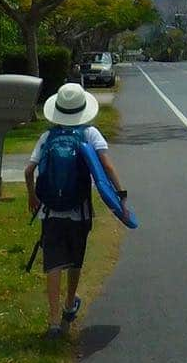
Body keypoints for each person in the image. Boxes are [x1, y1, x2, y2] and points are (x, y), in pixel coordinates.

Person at [25, 81, 127, 339]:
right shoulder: (90, 134)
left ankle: (52, 322)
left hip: (50, 213)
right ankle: (69, 305)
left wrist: (32, 196)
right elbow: (107, 167)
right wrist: (120, 195)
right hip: (79, 212)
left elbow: (29, 170)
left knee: (53, 264)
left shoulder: (47, 137)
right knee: (75, 260)